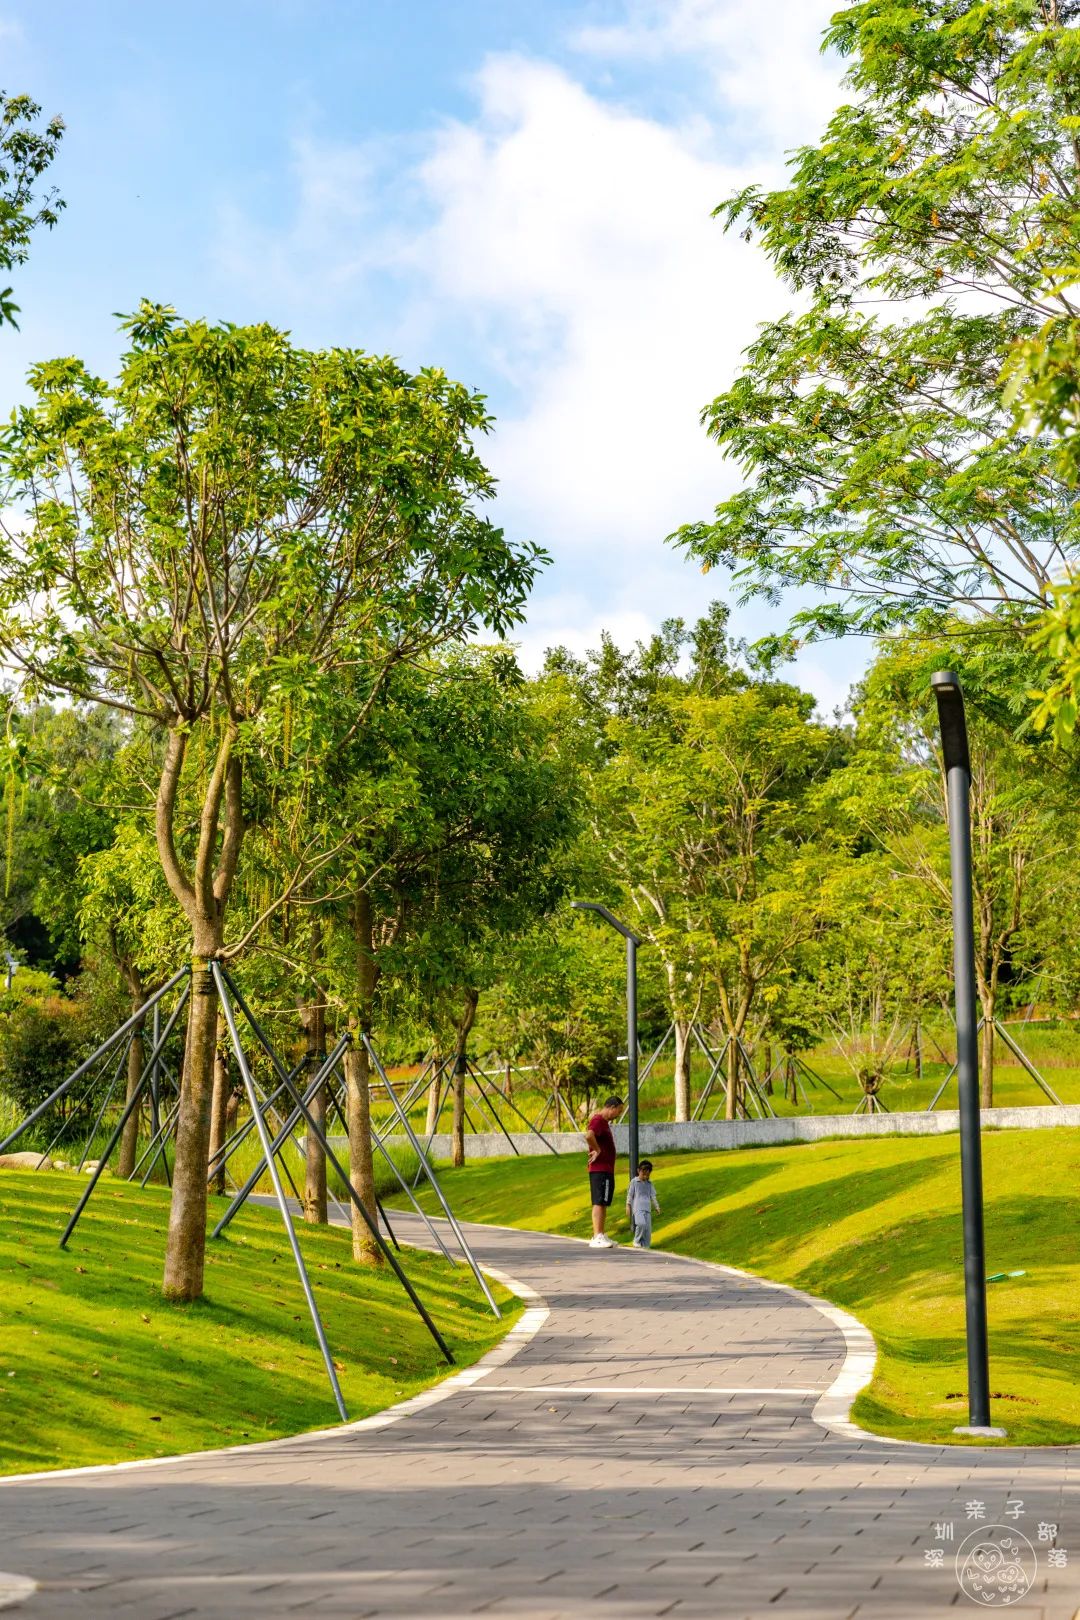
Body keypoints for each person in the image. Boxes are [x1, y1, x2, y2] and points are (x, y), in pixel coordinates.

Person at [585, 1094, 623, 1249]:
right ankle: (597, 1236)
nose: (618, 1114)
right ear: (611, 1107)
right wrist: (598, 1150)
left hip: (605, 1169)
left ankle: (600, 1233)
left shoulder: (603, 1122)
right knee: (599, 1202)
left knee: (603, 1202)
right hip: (600, 1169)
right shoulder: (598, 1120)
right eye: (618, 1111)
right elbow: (588, 1135)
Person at [625, 1159, 660, 1249]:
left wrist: (657, 1206)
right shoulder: (634, 1182)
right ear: (638, 1171)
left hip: (647, 1209)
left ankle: (645, 1245)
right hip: (638, 1208)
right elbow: (630, 1195)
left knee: (647, 1229)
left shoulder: (649, 1184)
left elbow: (653, 1196)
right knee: (641, 1224)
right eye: (643, 1174)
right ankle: (636, 1240)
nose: (645, 1176)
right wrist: (628, 1205)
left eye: (647, 1174)